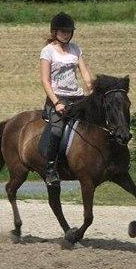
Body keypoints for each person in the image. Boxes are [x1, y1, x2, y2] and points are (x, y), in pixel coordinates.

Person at [40, 12, 94, 186]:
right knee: (57, 129)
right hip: (57, 98)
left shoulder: (76, 49)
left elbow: (84, 73)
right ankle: (50, 170)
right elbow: (45, 80)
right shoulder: (47, 51)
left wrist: (91, 88)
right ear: (55, 32)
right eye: (62, 31)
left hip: (76, 97)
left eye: (68, 31)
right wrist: (56, 102)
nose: (66, 34)